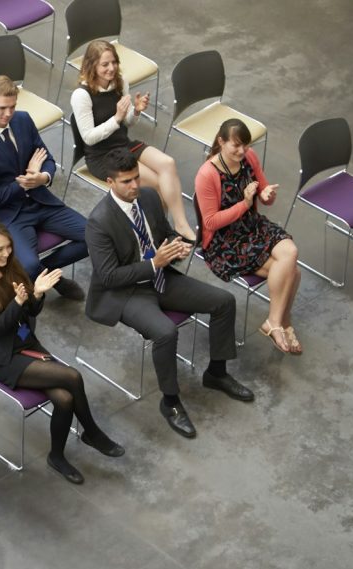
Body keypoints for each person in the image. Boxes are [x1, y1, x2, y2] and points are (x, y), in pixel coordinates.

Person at [85, 149, 254, 439]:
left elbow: (164, 233)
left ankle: (216, 372)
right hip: (127, 293)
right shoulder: (99, 222)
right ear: (110, 182)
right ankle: (171, 402)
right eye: (126, 182)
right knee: (165, 332)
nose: (135, 186)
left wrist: (178, 245)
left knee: (224, 301)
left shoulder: (149, 198)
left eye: (137, 178)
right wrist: (154, 263)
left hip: (160, 276)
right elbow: (110, 277)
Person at [0, 221, 124, 484]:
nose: (6, 254)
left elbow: (32, 313)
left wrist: (36, 295)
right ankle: (91, 432)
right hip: (3, 356)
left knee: (64, 399)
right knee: (72, 377)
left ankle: (57, 457)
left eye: (8, 247)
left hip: (26, 343)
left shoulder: (13, 267)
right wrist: (17, 302)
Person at [0, 75, 85, 300]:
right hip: (9, 215)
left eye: (12, 107)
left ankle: (44, 273)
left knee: (94, 236)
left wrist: (42, 177)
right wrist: (24, 183)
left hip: (40, 200)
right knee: (28, 266)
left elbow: (45, 157)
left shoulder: (23, 120)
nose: (8, 114)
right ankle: (49, 278)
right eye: (2, 108)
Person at [195, 118, 303, 354]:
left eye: (245, 145)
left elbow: (264, 192)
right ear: (221, 142)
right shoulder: (207, 174)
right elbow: (211, 222)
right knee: (293, 272)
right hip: (226, 240)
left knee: (290, 252)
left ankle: (274, 322)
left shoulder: (249, 158)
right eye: (236, 146)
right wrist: (245, 203)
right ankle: (283, 322)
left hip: (252, 226)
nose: (242, 151)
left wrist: (266, 196)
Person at [71, 40, 196, 242]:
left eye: (114, 62)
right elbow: (89, 137)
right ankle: (159, 235)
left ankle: (180, 225)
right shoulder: (81, 95)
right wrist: (116, 118)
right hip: (102, 156)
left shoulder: (121, 83)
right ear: (91, 66)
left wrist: (135, 111)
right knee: (156, 185)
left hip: (123, 144)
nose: (111, 68)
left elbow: (127, 123)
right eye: (105, 65)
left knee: (168, 163)